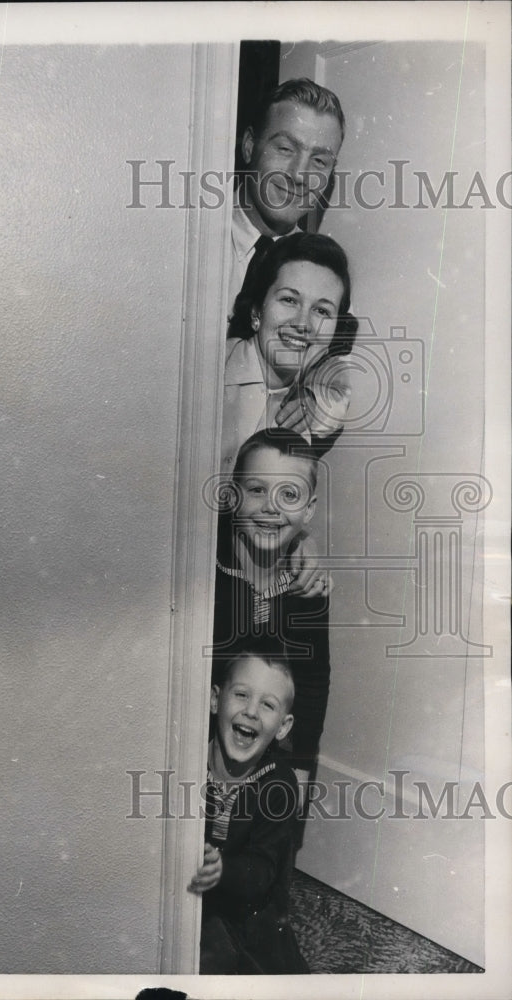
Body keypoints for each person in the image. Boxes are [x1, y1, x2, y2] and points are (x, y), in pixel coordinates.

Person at [211, 429, 330, 792]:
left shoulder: (307, 588)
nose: (271, 507)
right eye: (257, 490)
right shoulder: (207, 562)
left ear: (309, 509)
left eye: (289, 494)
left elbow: (313, 680)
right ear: (233, 496)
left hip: (263, 766)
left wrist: (302, 767)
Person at [188, 648, 309, 975]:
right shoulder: (189, 757)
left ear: (283, 727)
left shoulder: (278, 785)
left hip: (250, 913)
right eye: (241, 694)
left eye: (267, 704)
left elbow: (263, 871)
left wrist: (222, 869)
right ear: (215, 700)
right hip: (189, 898)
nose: (251, 711)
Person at [221, 232, 358, 475]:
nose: (303, 323)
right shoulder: (212, 368)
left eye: (322, 311)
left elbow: (339, 388)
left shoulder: (313, 396)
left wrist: (315, 400)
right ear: (256, 312)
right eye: (289, 300)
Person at [229, 78, 346, 313]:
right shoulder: (189, 243)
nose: (299, 174)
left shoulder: (325, 274)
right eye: (285, 149)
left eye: (319, 161)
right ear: (250, 146)